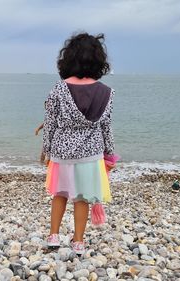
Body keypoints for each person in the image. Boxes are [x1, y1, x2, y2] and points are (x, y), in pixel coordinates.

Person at [41, 32, 116, 255]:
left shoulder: (59, 88)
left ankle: (54, 236)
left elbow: (50, 122)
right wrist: (110, 154)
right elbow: (106, 127)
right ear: (98, 60)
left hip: (62, 152)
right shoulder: (106, 93)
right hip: (91, 154)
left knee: (60, 194)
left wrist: (46, 149)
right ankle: (78, 241)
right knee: (82, 197)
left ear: (69, 58)